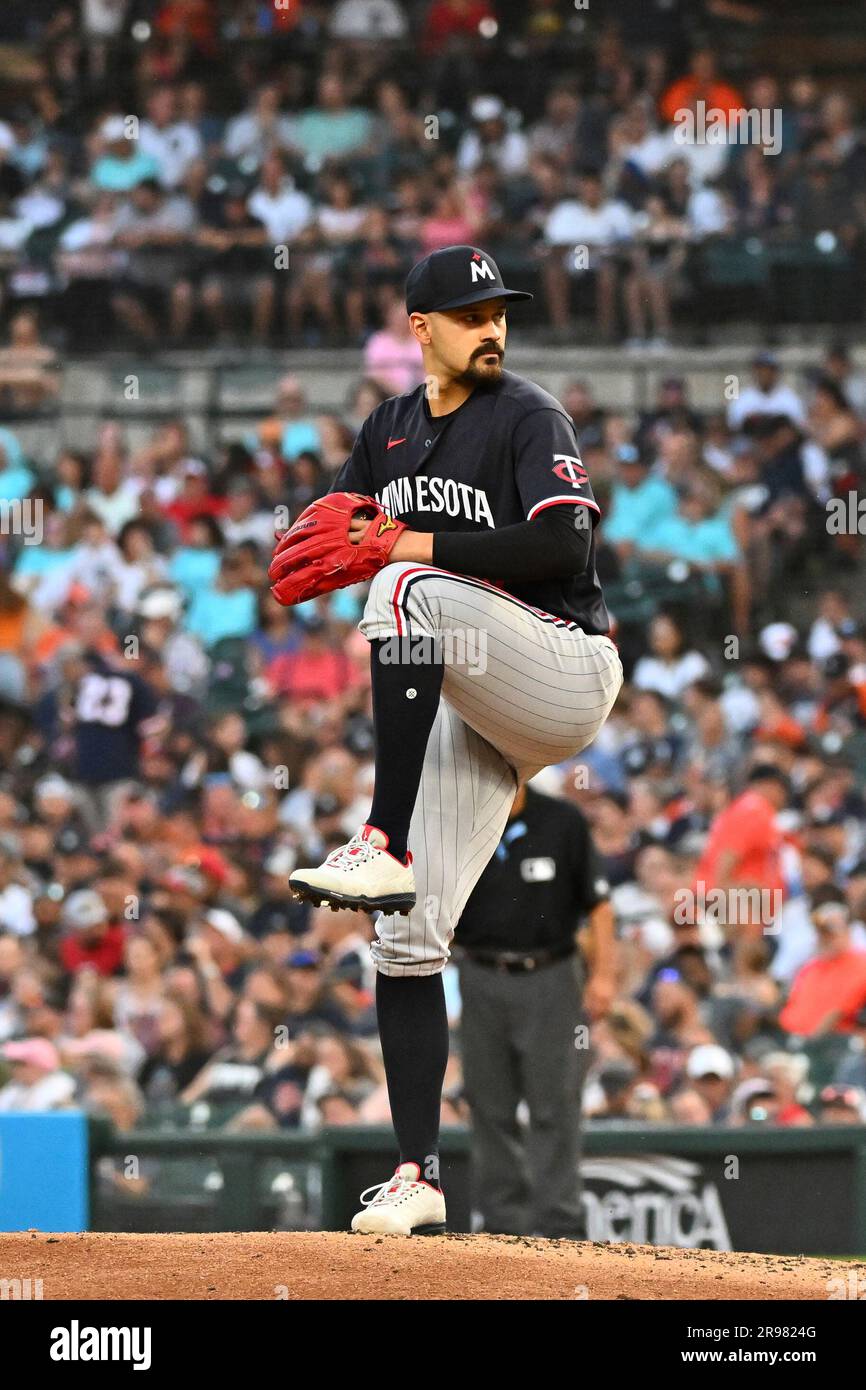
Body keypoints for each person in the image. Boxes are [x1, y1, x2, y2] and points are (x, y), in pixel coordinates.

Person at [276, 244, 623, 1234]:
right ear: (418, 328)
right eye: (471, 314)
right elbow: (338, 532)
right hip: (476, 702)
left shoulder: (526, 415)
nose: (492, 329)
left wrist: (396, 549)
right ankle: (417, 1172)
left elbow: (563, 544)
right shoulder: (386, 430)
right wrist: (325, 544)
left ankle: (379, 840)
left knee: (403, 585)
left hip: (562, 668)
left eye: (499, 312)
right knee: (405, 937)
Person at [455, 781, 616, 1238]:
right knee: (488, 1104)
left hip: (551, 973)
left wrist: (604, 975)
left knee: (554, 1104)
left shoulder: (562, 820)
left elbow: (600, 904)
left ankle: (559, 1227)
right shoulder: (462, 819)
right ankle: (504, 1226)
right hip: (479, 973)